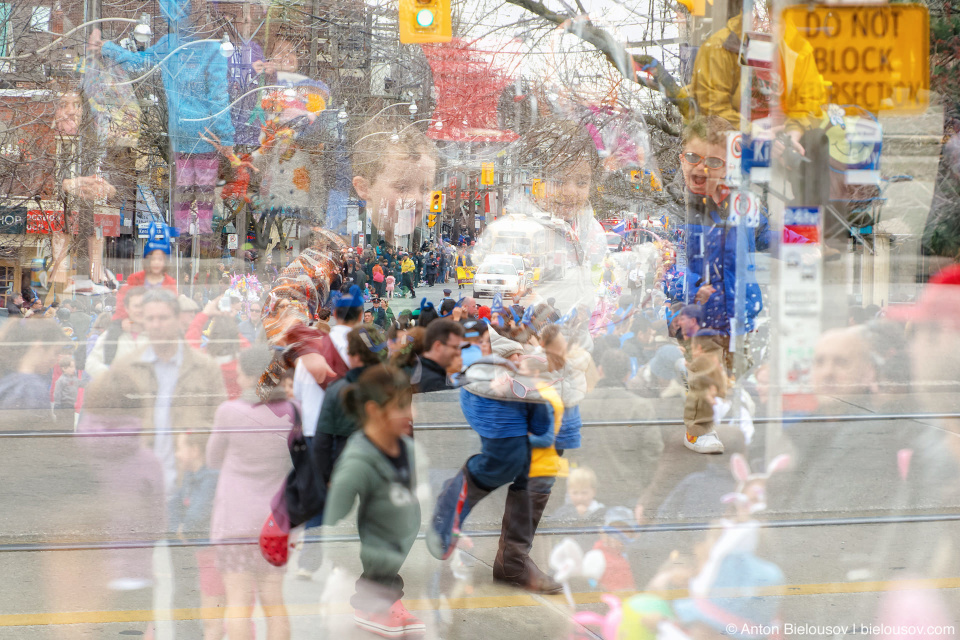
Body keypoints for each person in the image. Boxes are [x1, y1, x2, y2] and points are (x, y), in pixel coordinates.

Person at [322, 365, 424, 637]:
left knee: (408, 523)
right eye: (400, 407)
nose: (410, 414)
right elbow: (335, 508)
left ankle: (386, 597)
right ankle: (372, 605)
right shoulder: (360, 455)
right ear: (374, 411)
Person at [206, 347, 293, 640]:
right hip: (274, 522)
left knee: (238, 603)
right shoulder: (291, 413)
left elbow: (212, 459)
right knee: (275, 601)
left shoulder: (229, 412)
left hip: (235, 521)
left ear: (244, 377)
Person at [108, 288, 225, 499]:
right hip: (139, 489)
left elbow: (219, 423)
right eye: (150, 318)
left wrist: (195, 442)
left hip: (190, 487)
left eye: (163, 317)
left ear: (178, 319)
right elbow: (113, 424)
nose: (156, 324)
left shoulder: (205, 368)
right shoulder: (126, 368)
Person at [114, 231, 178, 320]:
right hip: (136, 322)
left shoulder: (170, 283)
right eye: (152, 259)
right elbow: (122, 303)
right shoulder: (135, 279)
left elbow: (173, 308)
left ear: (165, 262)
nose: (156, 263)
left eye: (160, 259)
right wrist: (125, 321)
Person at [410, 319, 464, 393]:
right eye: (455, 347)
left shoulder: (416, 368)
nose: (458, 352)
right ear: (438, 346)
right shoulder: (435, 383)